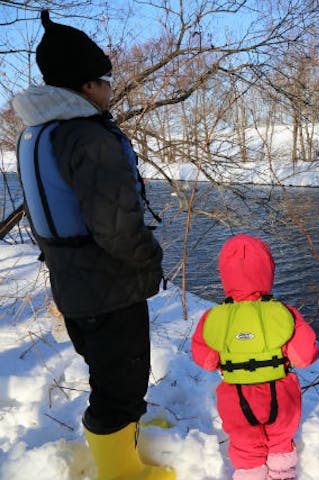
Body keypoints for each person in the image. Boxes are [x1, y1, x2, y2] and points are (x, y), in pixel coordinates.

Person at [12, 10, 173, 480]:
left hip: (75, 283)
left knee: (112, 374)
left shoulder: (36, 134)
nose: (109, 88)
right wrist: (150, 256)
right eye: (105, 79)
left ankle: (126, 437)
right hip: (109, 285)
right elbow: (117, 227)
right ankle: (122, 471)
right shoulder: (87, 136)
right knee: (118, 384)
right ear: (86, 86)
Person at [191, 234, 319, 480]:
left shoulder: (214, 318)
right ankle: (282, 475)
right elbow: (304, 356)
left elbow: (206, 360)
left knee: (245, 446)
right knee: (280, 442)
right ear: (267, 271)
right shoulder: (284, 313)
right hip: (280, 396)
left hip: (236, 399)